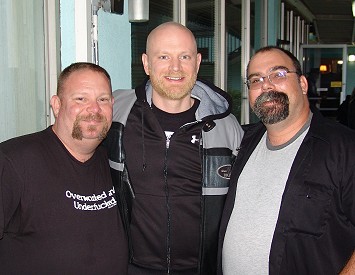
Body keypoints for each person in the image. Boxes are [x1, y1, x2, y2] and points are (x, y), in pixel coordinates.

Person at [104, 22, 243, 275]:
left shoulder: (227, 128)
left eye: (185, 56)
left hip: (203, 269)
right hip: (131, 268)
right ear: (146, 63)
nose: (175, 67)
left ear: (198, 62)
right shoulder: (116, 114)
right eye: (164, 56)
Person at [217, 46, 355, 275]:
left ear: (302, 84)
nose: (266, 85)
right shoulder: (241, 143)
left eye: (278, 74)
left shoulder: (344, 148)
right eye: (255, 80)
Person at [0, 62, 128, 274]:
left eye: (103, 100)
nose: (94, 109)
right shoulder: (13, 160)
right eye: (81, 99)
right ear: (57, 105)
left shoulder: (115, 161)